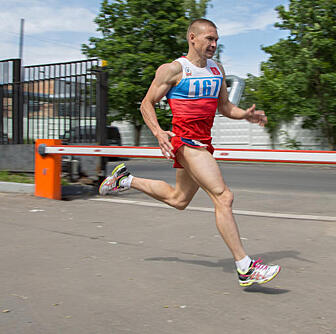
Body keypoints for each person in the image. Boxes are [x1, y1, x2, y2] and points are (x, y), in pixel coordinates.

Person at [99, 18, 280, 286]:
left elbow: (225, 107)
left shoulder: (217, 70)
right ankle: (245, 266)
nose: (214, 44)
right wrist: (160, 133)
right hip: (185, 142)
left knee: (178, 199)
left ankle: (125, 179)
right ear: (192, 38)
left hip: (203, 142)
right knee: (224, 196)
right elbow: (146, 104)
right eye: (209, 39)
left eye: (216, 40)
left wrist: (245, 115)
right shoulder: (173, 70)